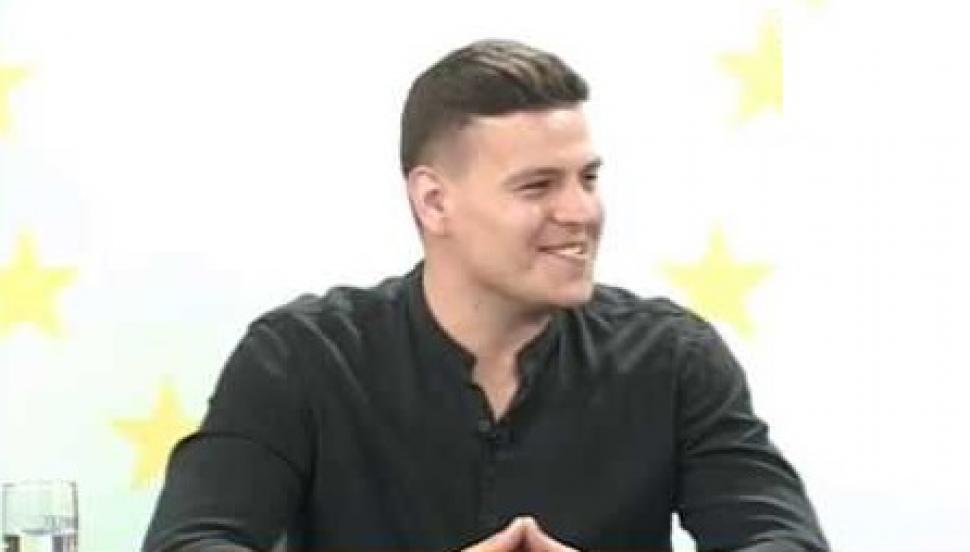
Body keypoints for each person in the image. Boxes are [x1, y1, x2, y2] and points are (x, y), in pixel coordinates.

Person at [142, 39, 829, 552]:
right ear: (434, 201)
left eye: (588, 178)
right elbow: (192, 542)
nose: (581, 212)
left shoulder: (673, 358)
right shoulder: (300, 358)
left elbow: (781, 540)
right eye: (538, 186)